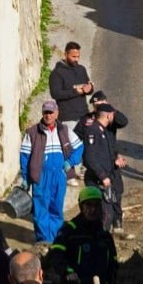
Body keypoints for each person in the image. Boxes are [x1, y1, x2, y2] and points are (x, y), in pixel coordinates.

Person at [18, 99, 83, 244]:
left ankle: (55, 239)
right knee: (41, 209)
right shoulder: (33, 132)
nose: (48, 115)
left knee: (56, 208)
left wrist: (70, 162)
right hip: (41, 177)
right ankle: (43, 240)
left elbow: (79, 147)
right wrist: (25, 177)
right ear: (42, 113)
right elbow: (24, 155)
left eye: (51, 112)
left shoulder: (64, 130)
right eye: (45, 112)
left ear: (57, 113)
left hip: (59, 176)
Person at [49, 41, 94, 187]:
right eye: (73, 56)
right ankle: (69, 175)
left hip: (83, 113)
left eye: (78, 56)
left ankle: (80, 169)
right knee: (69, 147)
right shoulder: (57, 74)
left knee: (83, 145)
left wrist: (89, 88)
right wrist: (76, 91)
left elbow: (88, 86)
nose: (76, 59)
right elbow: (56, 93)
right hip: (67, 115)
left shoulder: (81, 69)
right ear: (66, 54)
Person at [81, 103, 127, 233]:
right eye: (113, 114)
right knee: (103, 213)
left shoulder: (105, 129)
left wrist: (116, 160)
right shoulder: (93, 130)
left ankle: (104, 236)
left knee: (110, 209)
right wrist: (102, 176)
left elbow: (106, 153)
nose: (114, 116)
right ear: (108, 115)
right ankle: (99, 238)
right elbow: (90, 158)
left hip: (109, 175)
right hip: (97, 179)